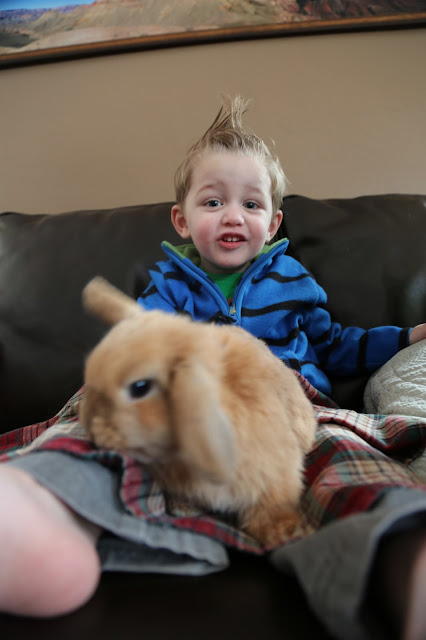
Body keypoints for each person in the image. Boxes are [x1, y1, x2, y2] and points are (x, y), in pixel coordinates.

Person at [0, 96, 425, 640]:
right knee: (107, 417)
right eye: (213, 201)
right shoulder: (168, 286)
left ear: (272, 222)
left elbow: (337, 345)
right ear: (183, 219)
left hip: (285, 407)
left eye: (251, 204)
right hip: (178, 412)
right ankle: (43, 503)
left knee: (337, 451)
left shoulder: (294, 282)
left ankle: (404, 550)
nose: (232, 215)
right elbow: (137, 346)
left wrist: (407, 337)